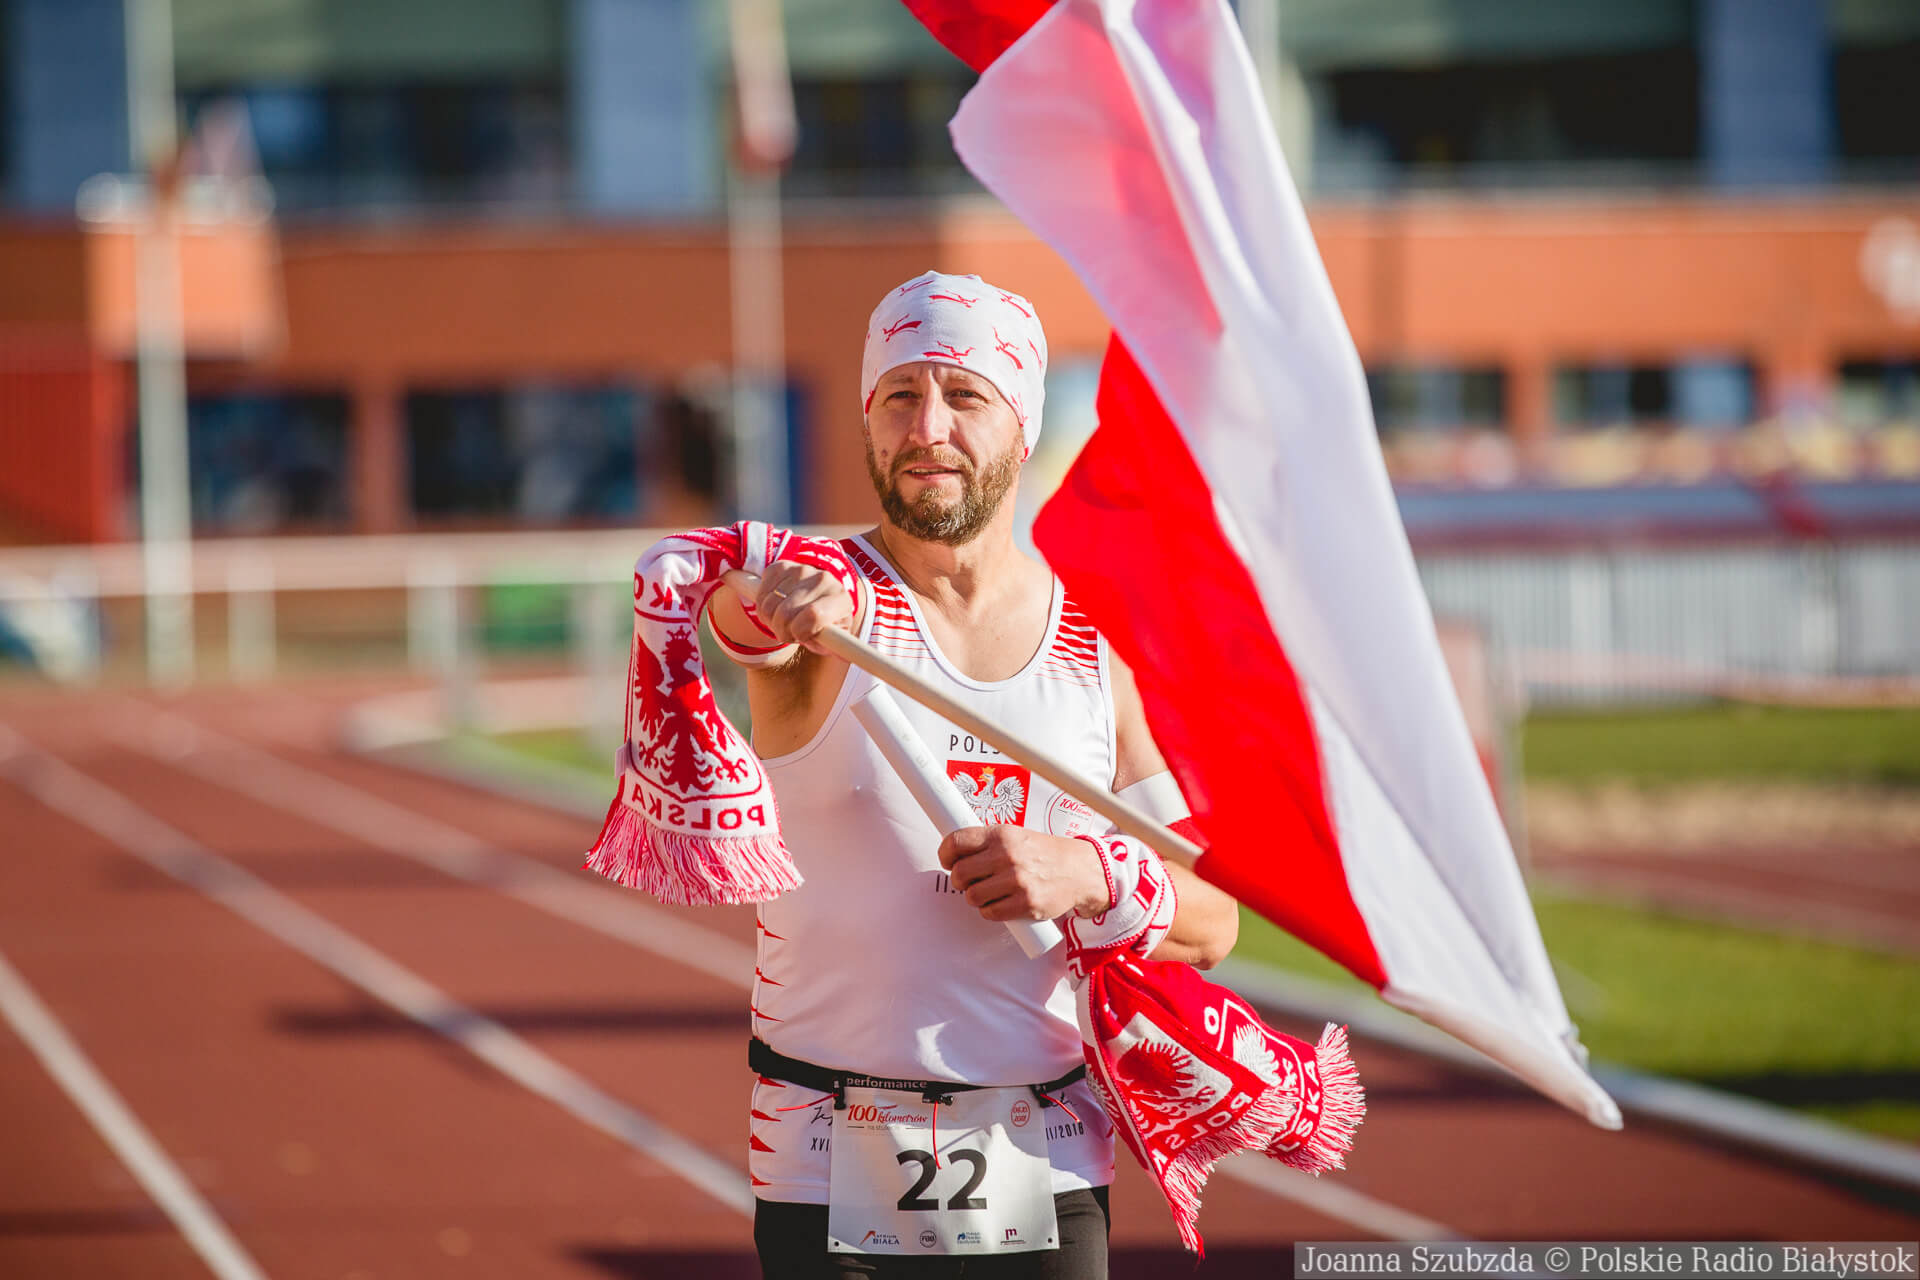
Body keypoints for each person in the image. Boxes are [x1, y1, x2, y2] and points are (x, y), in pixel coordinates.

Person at [703, 270, 1240, 1279]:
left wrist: (1089, 875)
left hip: (1047, 1152)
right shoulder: (826, 607)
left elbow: (1214, 922)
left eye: (964, 395)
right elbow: (744, 616)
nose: (928, 428)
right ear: (867, 419)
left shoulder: (1094, 649)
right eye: (899, 395)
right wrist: (768, 598)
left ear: (1023, 426)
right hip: (827, 1155)